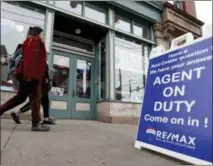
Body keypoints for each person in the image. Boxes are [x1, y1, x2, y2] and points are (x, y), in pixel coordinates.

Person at [0, 26, 50, 132]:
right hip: (31, 77)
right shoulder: (34, 41)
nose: (44, 36)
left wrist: (43, 76)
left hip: (28, 76)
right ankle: (36, 123)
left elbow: (37, 62)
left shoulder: (32, 41)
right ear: (38, 33)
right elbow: (30, 61)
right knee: (35, 98)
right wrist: (30, 77)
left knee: (20, 98)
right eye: (43, 33)